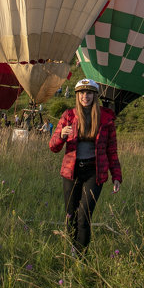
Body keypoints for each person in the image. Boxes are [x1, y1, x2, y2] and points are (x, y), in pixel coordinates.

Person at [49, 79, 122, 255]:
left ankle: (80, 256)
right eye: (81, 93)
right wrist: (61, 136)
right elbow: (53, 146)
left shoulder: (106, 118)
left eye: (89, 93)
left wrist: (117, 176)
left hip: (94, 171)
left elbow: (112, 150)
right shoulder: (69, 116)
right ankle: (73, 246)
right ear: (77, 96)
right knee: (70, 215)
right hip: (71, 171)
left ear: (95, 95)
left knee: (84, 215)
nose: (85, 96)